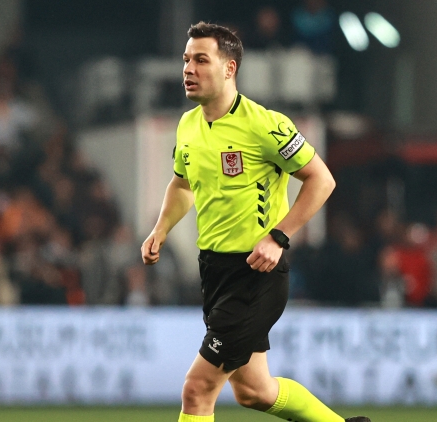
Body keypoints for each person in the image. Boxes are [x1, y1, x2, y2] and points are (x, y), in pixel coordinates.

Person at [141, 22, 369, 422]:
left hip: (255, 274)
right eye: (186, 60)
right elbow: (182, 185)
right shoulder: (188, 124)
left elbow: (321, 180)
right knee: (254, 391)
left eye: (201, 60)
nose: (188, 69)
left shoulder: (265, 124)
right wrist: (161, 229)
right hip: (214, 272)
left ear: (229, 68)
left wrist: (278, 236)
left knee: (197, 389)